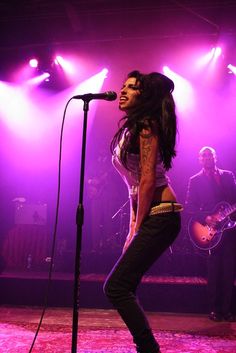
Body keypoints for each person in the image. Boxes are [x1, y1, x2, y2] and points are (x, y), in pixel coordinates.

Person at [103, 70, 182, 353]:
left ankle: (149, 349)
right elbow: (133, 185)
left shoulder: (147, 125)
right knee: (124, 286)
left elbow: (148, 179)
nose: (123, 91)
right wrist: (131, 227)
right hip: (150, 214)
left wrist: (138, 228)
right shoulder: (131, 128)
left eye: (132, 88)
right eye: (123, 86)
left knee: (116, 287)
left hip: (162, 215)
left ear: (145, 95)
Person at [185, 146, 236, 322]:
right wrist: (206, 218)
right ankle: (214, 309)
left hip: (228, 230)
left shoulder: (228, 175)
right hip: (210, 232)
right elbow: (189, 206)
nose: (207, 158)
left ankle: (226, 310)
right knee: (214, 272)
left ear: (216, 157)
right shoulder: (195, 180)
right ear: (200, 159)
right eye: (204, 156)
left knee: (229, 272)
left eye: (210, 155)